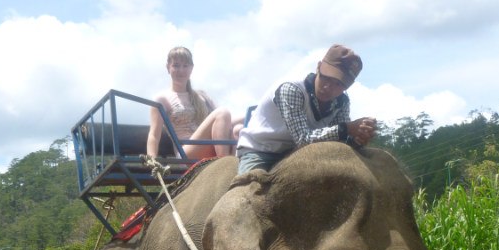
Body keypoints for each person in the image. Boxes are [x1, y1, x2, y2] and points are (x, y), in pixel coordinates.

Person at [236, 44, 377, 173]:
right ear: (318, 67)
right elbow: (303, 139)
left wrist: (357, 138)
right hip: (262, 151)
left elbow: (338, 143)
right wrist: (346, 129)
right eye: (325, 78)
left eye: (338, 84)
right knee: (247, 193)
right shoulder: (292, 89)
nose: (328, 87)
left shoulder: (342, 102)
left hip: (300, 154)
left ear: (348, 86)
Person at [147, 46, 242, 159]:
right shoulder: (162, 99)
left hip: (209, 145)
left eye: (185, 66)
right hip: (185, 152)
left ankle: (234, 167)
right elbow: (154, 134)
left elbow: (225, 122)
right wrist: (151, 160)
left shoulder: (202, 96)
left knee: (239, 129)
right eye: (176, 65)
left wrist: (253, 114)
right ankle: (223, 164)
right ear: (168, 67)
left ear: (191, 68)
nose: (181, 70)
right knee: (222, 112)